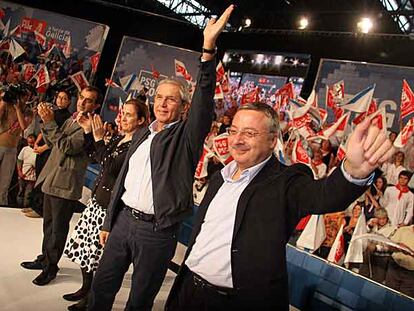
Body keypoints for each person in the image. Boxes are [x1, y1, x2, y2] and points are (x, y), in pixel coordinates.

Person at [165, 103, 395, 310]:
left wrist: (354, 172)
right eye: (234, 131)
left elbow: (324, 196)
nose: (237, 140)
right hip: (188, 292)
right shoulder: (219, 178)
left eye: (250, 133)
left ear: (272, 140)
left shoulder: (286, 182)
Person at [88, 6, 234, 311]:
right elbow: (122, 181)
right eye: (158, 97)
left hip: (157, 232)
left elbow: (204, 104)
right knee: (101, 289)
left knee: (139, 299)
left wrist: (208, 50)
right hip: (123, 222)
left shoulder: (186, 137)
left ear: (183, 107)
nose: (162, 103)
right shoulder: (142, 134)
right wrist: (109, 222)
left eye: (171, 99)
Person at [63, 99, 148, 311]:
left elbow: (109, 166)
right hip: (96, 202)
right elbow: (95, 156)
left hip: (110, 209)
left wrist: (99, 138)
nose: (123, 117)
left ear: (141, 120)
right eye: (122, 112)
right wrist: (88, 132)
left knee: (97, 256)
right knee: (84, 250)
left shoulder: (136, 145)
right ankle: (85, 288)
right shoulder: (119, 138)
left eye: (129, 114)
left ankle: (91, 298)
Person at [20, 86, 101, 286]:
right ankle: (45, 258)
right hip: (53, 178)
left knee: (57, 229)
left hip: (65, 183)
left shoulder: (88, 126)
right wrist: (45, 122)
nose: (82, 102)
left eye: (88, 100)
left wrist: (49, 123)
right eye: (81, 97)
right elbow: (53, 141)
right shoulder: (71, 118)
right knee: (48, 225)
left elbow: (67, 146)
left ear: (96, 105)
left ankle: (51, 268)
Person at [25, 89, 72, 218]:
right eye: (59, 97)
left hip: (50, 152)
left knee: (44, 180)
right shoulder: (53, 112)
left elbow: (57, 137)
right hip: (40, 149)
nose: (60, 100)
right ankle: (33, 204)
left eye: (64, 98)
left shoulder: (67, 117)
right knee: (38, 176)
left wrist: (43, 148)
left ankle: (40, 209)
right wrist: (37, 142)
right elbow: (44, 129)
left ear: (69, 102)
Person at [0, 87, 27, 205]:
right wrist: (2, 103)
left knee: (4, 182)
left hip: (11, 149)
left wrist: (17, 109)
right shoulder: (4, 106)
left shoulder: (27, 111)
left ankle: (1, 204)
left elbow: (23, 126)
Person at [385, 224, 414, 297]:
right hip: (394, 267)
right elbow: (389, 247)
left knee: (403, 300)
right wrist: (397, 246)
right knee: (388, 294)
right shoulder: (403, 230)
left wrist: (410, 252)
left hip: (410, 275)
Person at [16, 134, 37, 210]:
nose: (30, 144)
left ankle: (25, 207)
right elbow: (19, 160)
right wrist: (19, 171)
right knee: (21, 192)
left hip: (32, 177)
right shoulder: (25, 149)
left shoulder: (38, 150)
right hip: (23, 175)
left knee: (28, 194)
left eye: (32, 142)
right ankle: (18, 207)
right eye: (29, 142)